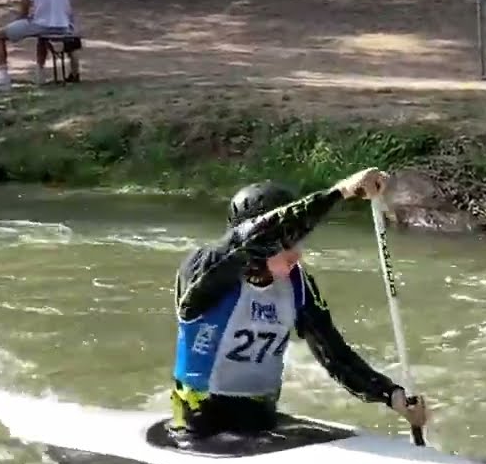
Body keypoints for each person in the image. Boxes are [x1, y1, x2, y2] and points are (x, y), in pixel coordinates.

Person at [168, 167, 429, 448]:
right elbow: (260, 236)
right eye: (287, 242)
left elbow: (334, 355)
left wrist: (391, 395)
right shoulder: (206, 269)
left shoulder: (297, 284)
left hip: (260, 419)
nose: (297, 253)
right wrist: (341, 191)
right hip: (200, 426)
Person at [0, 0, 80, 88]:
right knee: (41, 38)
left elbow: (25, 3)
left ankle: (3, 77)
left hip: (41, 24)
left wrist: (21, 18)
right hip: (63, 25)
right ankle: (39, 73)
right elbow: (66, 2)